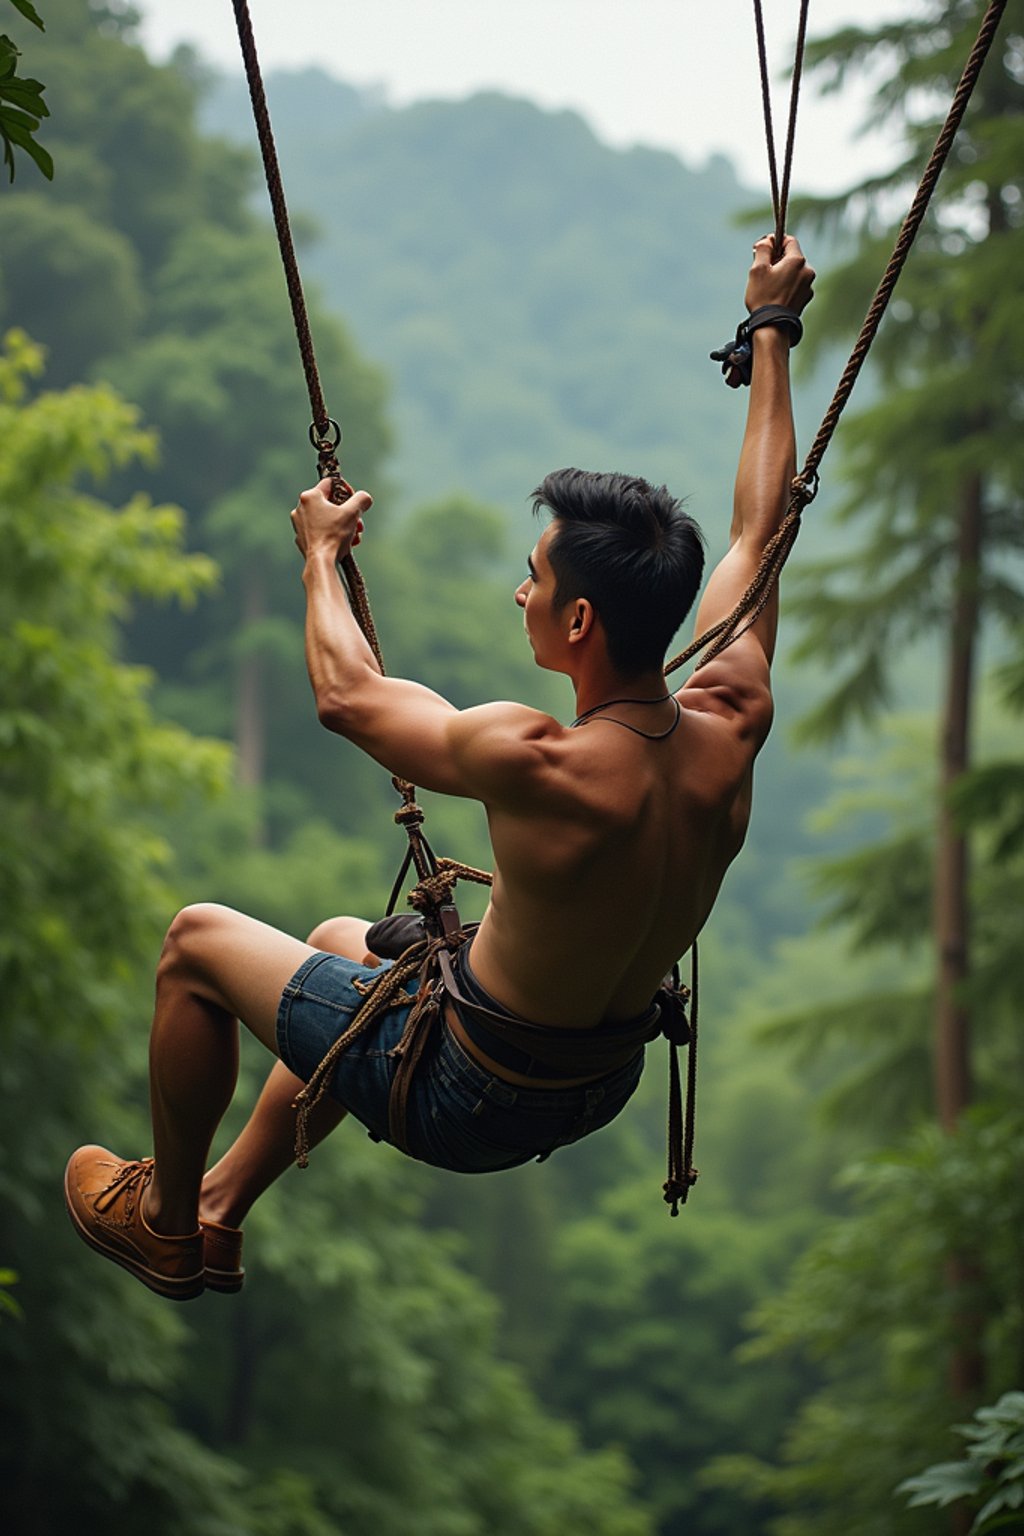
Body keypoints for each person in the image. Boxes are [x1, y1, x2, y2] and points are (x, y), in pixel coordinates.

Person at [64, 234, 815, 1299]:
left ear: (581, 619)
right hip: (592, 1080)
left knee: (194, 943)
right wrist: (772, 334)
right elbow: (759, 524)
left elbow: (347, 698)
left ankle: (166, 1221)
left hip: (468, 1088)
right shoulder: (732, 713)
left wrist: (320, 556)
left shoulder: (542, 759)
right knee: (330, 947)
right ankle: (226, 1210)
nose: (522, 595)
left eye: (534, 579)